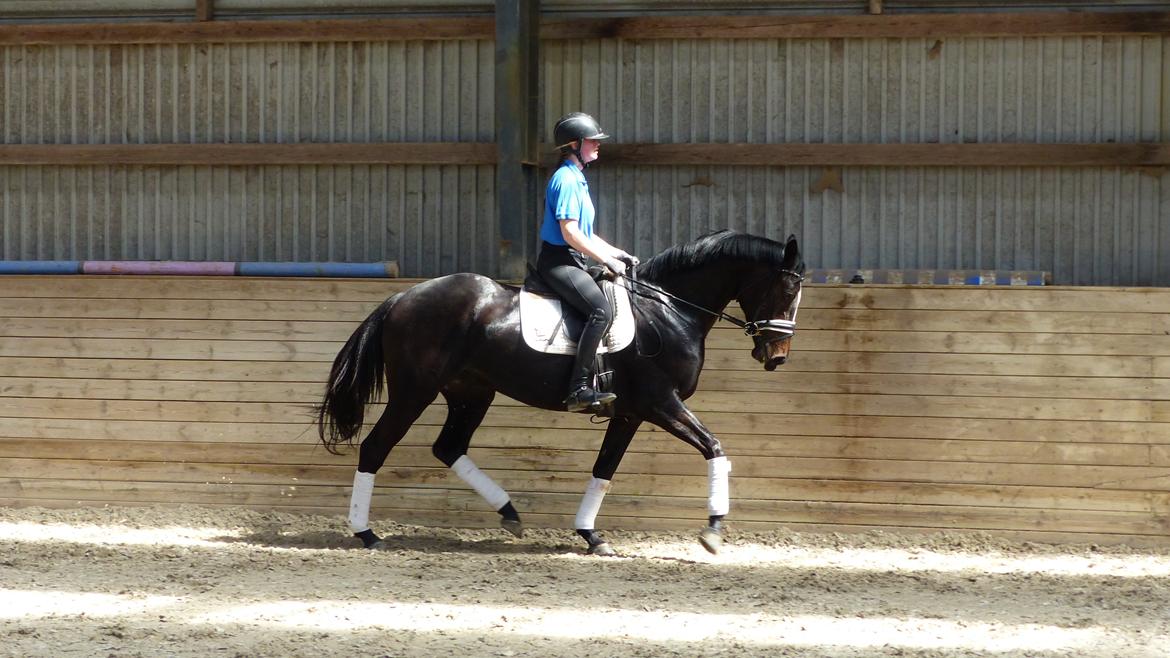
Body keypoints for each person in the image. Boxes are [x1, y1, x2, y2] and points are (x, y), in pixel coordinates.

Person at [536, 112, 639, 412]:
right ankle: (578, 389)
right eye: (592, 140)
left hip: (574, 258)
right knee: (600, 310)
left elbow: (586, 234)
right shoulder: (566, 180)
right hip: (559, 262)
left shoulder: (577, 178)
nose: (597, 145)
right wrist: (606, 259)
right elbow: (569, 234)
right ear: (574, 144)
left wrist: (617, 253)